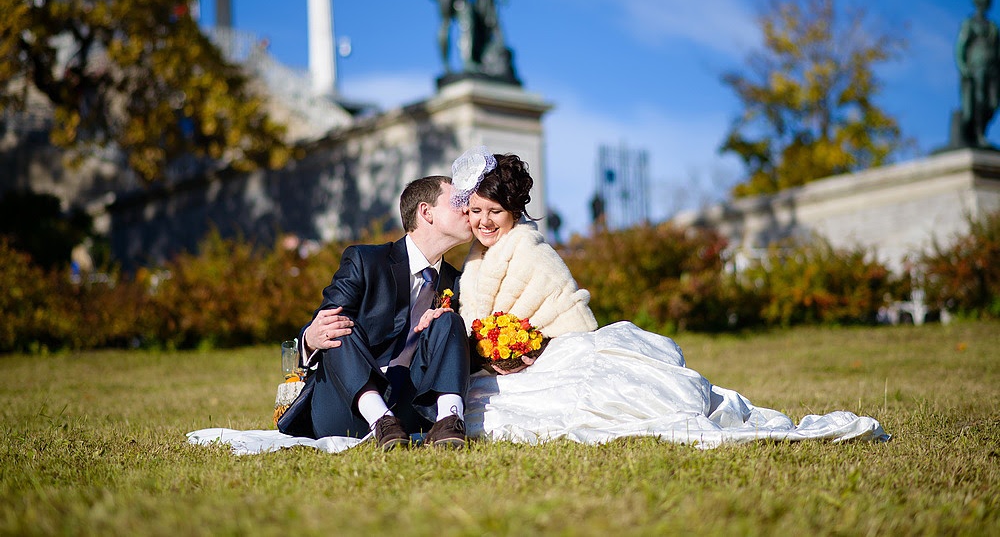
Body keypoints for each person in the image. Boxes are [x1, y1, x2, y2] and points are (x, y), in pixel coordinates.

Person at [442, 146, 889, 447]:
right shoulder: (479, 257)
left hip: (549, 356)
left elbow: (568, 316)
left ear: (513, 211)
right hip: (496, 363)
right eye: (476, 211)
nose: (483, 221)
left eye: (494, 212)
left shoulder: (528, 250)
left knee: (590, 404)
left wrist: (525, 348)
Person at [284, 175, 474, 450]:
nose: (467, 209)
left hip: (412, 409)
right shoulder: (365, 260)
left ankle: (448, 421)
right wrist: (309, 339)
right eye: (458, 202)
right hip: (349, 407)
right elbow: (324, 322)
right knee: (339, 326)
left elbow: (462, 353)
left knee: (449, 321)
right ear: (426, 212)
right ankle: (381, 421)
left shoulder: (458, 282)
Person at [955, 0, 1000, 147]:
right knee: (979, 99)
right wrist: (962, 66)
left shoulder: (993, 26)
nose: (985, 5)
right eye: (982, 2)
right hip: (977, 66)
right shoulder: (970, 23)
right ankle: (979, 134)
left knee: (993, 103)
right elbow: (960, 47)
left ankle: (982, 131)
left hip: (993, 70)